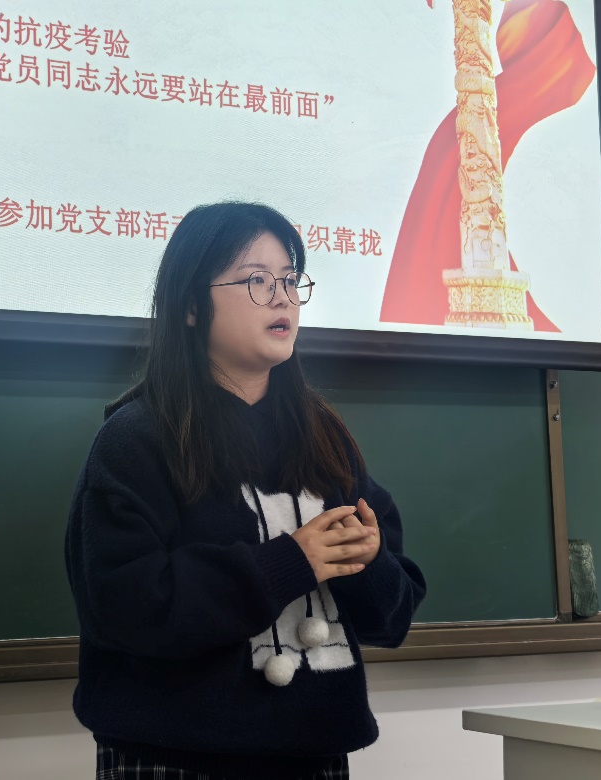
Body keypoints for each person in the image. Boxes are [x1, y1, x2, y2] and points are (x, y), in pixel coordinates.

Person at [64, 202, 427, 780]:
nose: (282, 298)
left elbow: (394, 617)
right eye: (257, 280)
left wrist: (369, 562)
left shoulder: (324, 437)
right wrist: (290, 564)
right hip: (173, 758)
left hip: (315, 755)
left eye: (290, 280)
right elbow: (126, 607)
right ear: (190, 306)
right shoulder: (138, 438)